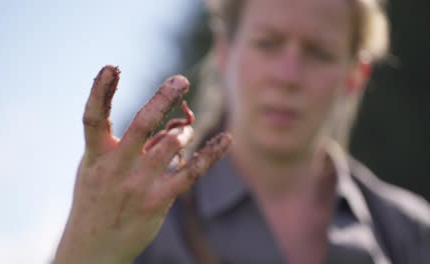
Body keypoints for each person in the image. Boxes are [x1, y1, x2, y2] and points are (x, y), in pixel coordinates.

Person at [53, 0, 430, 263]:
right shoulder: (137, 214)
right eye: (267, 43)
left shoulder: (411, 233)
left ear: (355, 75)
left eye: (318, 52)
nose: (288, 76)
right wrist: (84, 253)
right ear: (224, 52)